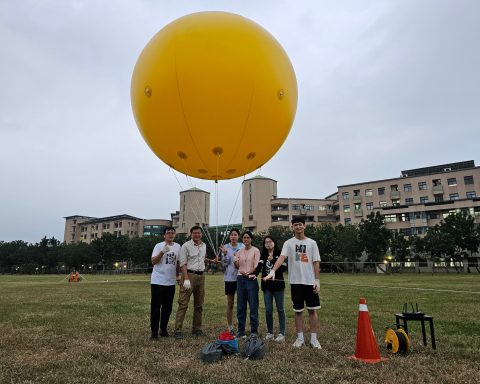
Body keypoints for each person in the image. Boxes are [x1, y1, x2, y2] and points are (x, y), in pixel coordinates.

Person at [264, 217, 322, 349]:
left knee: (312, 310)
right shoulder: (288, 243)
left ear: (305, 226)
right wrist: (273, 271)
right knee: (298, 311)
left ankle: (314, 339)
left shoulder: (312, 243)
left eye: (300, 224)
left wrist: (317, 280)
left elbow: (316, 262)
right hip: (295, 282)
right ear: (292, 227)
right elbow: (282, 257)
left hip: (310, 282)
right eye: (295, 225)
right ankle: (300, 338)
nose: (298, 227)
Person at [174, 226, 207, 339]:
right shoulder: (186, 246)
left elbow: (201, 259)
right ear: (191, 234)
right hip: (189, 275)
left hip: (201, 276)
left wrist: (211, 260)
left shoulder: (204, 246)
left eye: (198, 233)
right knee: (183, 303)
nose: (197, 235)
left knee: (199, 304)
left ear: (201, 234)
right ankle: (177, 330)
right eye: (194, 233)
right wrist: (186, 278)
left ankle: (197, 328)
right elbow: (183, 263)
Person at [150, 227, 181, 340]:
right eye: (168, 233)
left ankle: (163, 329)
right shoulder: (159, 245)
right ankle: (154, 332)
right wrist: (162, 252)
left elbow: (177, 262)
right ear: (164, 235)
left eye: (172, 233)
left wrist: (178, 276)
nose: (170, 234)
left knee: (167, 308)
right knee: (156, 307)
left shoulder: (178, 247)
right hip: (158, 281)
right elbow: (153, 261)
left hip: (170, 282)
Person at [257, 235, 287, 342]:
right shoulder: (263, 254)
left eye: (270, 241)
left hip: (278, 285)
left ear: (274, 242)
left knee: (280, 309)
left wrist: (274, 260)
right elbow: (260, 267)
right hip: (267, 286)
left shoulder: (280, 253)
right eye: (266, 242)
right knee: (268, 309)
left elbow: (284, 267)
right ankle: (269, 332)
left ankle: (282, 333)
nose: (268, 244)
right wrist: (254, 274)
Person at [234, 231, 261, 338]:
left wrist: (250, 272)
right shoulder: (239, 251)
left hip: (251, 279)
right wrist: (235, 260)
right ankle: (241, 330)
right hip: (240, 279)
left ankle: (254, 331)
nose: (246, 240)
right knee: (241, 306)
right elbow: (237, 266)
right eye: (244, 238)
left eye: (248, 238)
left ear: (251, 239)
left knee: (253, 305)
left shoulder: (256, 250)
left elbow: (256, 265)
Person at [219, 228, 244, 333]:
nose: (233, 236)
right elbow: (223, 265)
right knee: (230, 302)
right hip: (229, 278)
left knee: (241, 302)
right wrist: (224, 254)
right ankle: (230, 326)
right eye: (232, 235)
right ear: (229, 237)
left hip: (241, 277)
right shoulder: (225, 247)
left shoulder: (242, 247)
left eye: (235, 234)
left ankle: (240, 324)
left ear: (238, 236)